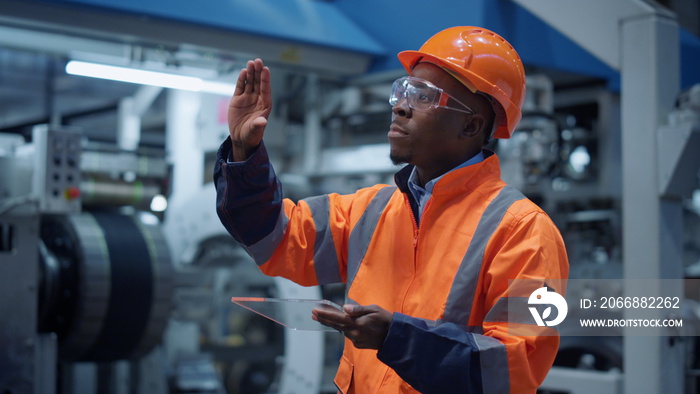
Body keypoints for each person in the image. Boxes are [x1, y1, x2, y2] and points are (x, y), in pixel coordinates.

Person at [214, 26, 569, 394]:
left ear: (471, 125)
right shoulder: (371, 210)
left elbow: (513, 368)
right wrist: (246, 154)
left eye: (423, 96)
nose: (399, 106)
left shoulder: (524, 232)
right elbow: (276, 238)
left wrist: (398, 339)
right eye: (403, 90)